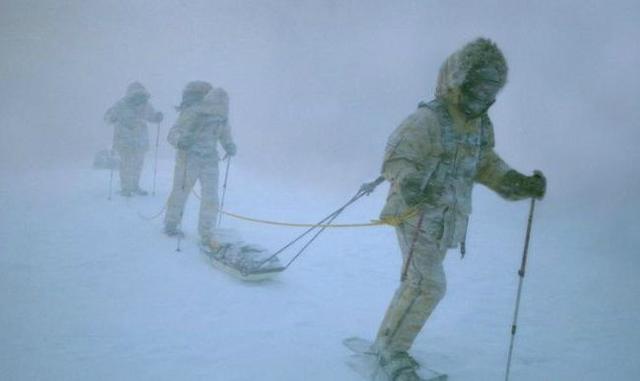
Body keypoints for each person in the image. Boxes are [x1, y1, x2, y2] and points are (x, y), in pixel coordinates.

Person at [370, 38, 546, 380]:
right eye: (478, 86)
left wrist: (518, 183)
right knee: (429, 285)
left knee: (417, 284)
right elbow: (398, 158)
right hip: (415, 214)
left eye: (491, 88)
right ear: (458, 81)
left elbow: (485, 163)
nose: (483, 95)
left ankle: (385, 344)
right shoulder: (428, 119)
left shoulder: (479, 124)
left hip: (447, 221)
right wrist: (412, 184)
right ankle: (392, 353)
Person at [163, 86, 237, 245]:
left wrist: (229, 145)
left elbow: (225, 135)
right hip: (188, 158)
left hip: (210, 160)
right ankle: (171, 223)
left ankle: (207, 232)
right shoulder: (192, 113)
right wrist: (180, 141)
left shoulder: (222, 117)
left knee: (211, 198)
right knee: (180, 192)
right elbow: (172, 133)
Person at [104, 82, 163, 196]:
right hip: (127, 140)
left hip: (135, 140)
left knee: (135, 164)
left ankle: (133, 186)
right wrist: (110, 117)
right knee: (128, 164)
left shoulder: (145, 105)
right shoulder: (121, 105)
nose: (139, 97)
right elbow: (109, 118)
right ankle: (127, 187)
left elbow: (152, 117)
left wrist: (157, 117)